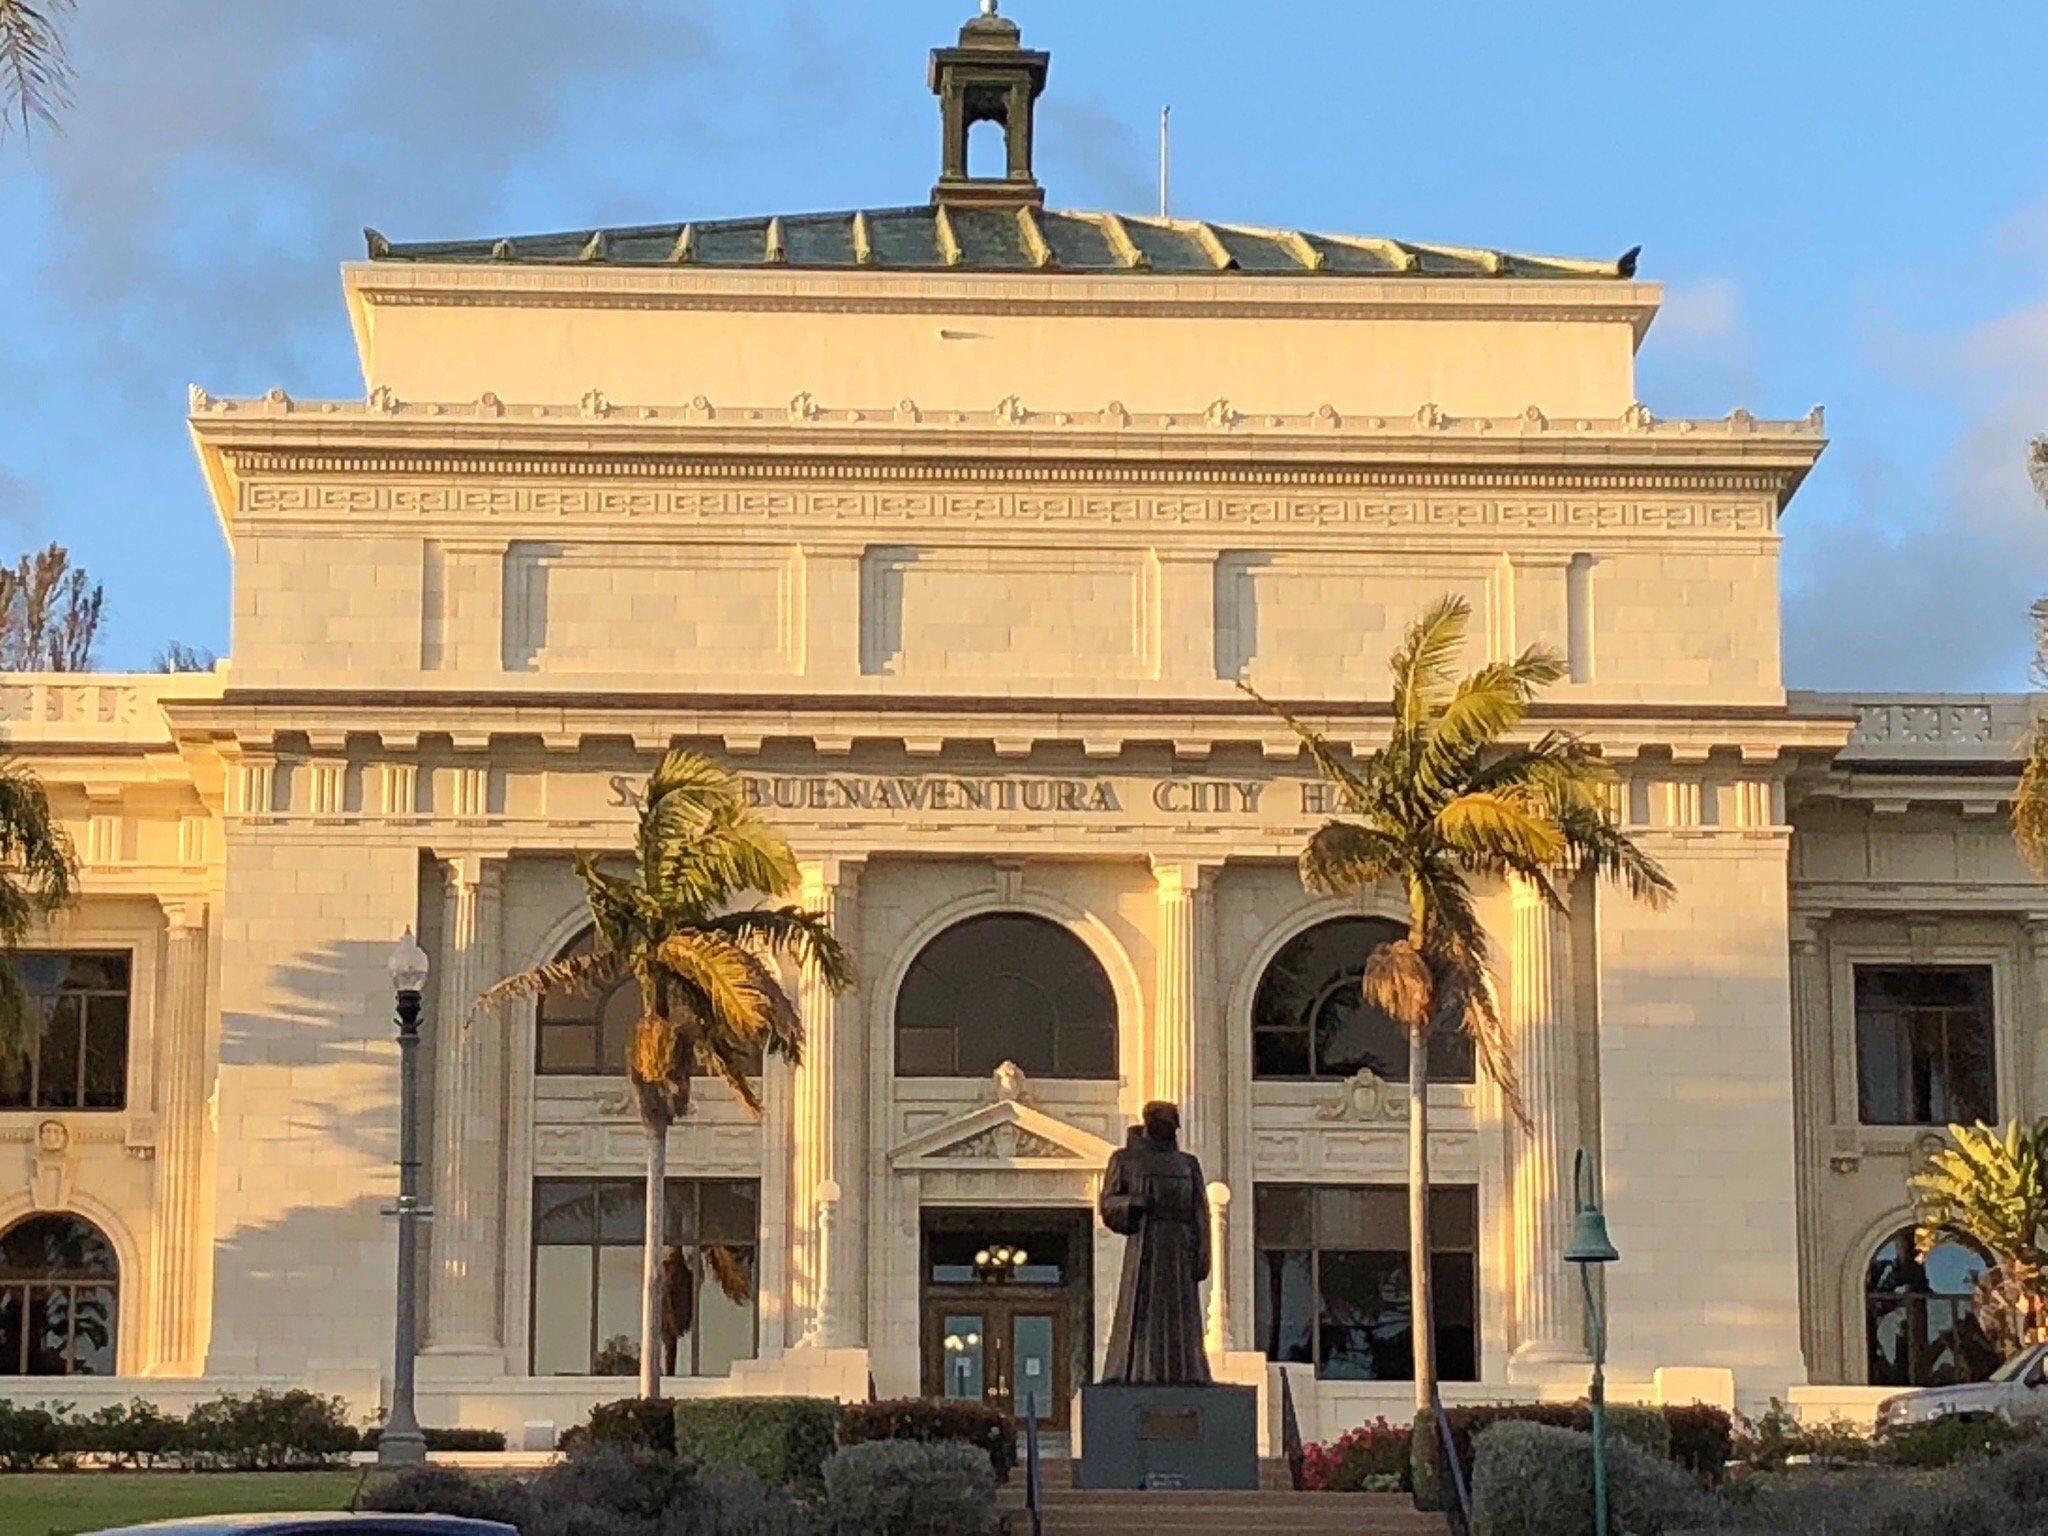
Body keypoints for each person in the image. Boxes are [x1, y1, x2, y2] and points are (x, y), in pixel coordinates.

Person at [1098, 1100, 1211, 1385]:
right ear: (1151, 1125)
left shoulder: (1188, 1164)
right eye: (1164, 1126)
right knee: (1143, 1312)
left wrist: (1202, 1252)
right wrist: (1133, 1203)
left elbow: (1200, 1210)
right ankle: (1139, 1372)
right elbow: (1108, 1204)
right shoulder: (1124, 1160)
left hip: (1180, 1248)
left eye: (1172, 1127)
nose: (1170, 1132)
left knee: (1181, 1315)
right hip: (1145, 1245)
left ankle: (1186, 1372)